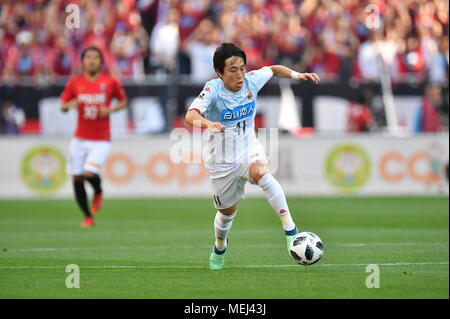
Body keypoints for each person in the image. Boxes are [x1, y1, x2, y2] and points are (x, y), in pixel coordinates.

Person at [185, 43, 320, 270]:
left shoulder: (251, 81)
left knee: (262, 173)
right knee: (226, 214)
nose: (240, 75)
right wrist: (208, 123)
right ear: (219, 72)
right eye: (233, 70)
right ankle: (220, 246)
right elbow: (190, 115)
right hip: (222, 160)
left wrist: (298, 75)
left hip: (248, 146)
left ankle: (290, 231)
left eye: (242, 68)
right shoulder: (213, 89)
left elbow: (274, 69)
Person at [60, 46, 127, 227]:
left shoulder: (109, 82)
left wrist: (110, 109)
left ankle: (98, 191)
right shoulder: (75, 82)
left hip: (101, 138)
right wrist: (69, 105)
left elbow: (123, 101)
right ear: (82, 61)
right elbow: (63, 105)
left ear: (101, 62)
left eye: (95, 57)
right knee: (76, 177)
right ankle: (87, 216)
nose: (91, 61)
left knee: (88, 172)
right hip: (80, 137)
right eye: (88, 57)